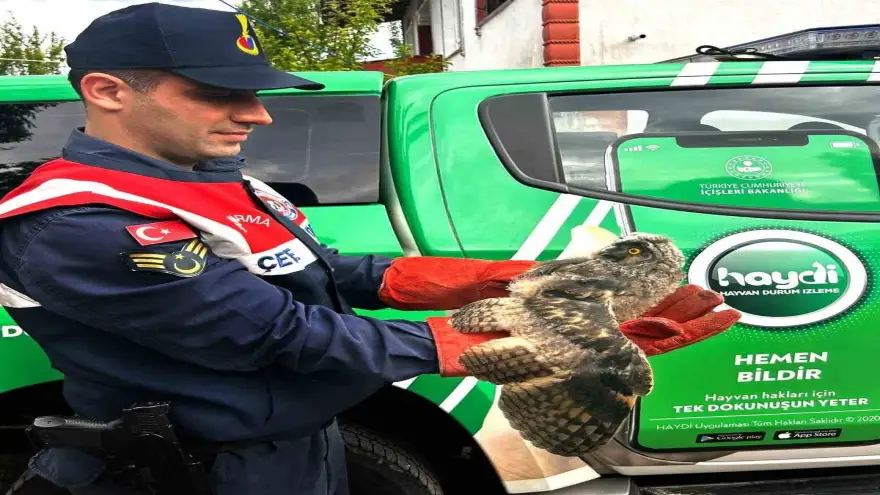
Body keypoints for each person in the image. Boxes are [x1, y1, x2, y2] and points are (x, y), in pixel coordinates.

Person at [0, 3, 739, 494]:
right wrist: (531, 340)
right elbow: (275, 333)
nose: (257, 114)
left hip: (299, 446)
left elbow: (330, 274)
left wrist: (510, 281)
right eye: (219, 93)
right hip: (192, 473)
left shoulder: (217, 183)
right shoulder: (74, 219)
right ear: (108, 91)